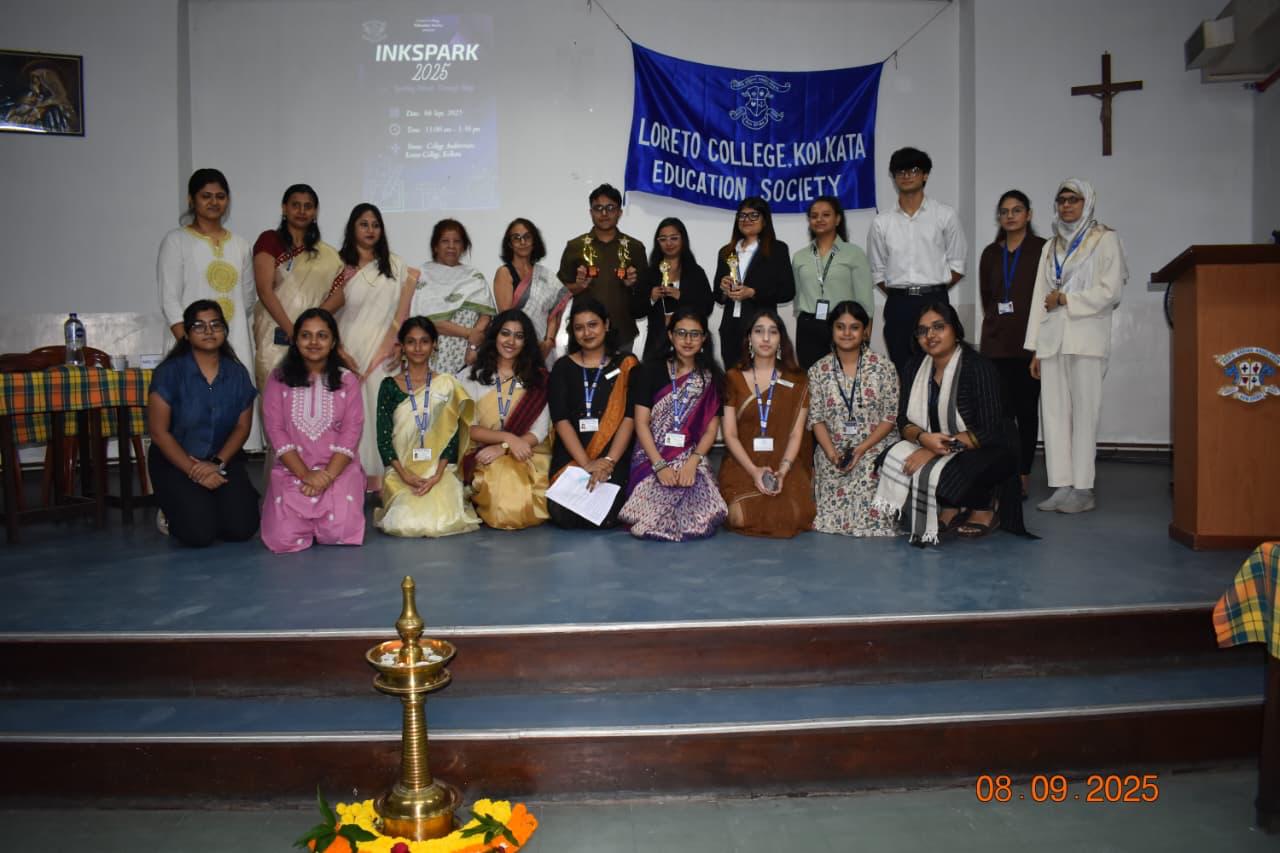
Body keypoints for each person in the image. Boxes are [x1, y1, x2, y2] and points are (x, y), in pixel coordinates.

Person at [874, 303, 1026, 545]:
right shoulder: (914, 367)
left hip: (988, 448)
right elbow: (903, 420)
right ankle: (951, 506)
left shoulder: (978, 367)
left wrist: (935, 449)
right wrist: (923, 439)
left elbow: (990, 431)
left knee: (957, 469)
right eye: (923, 331)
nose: (930, 335)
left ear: (955, 330)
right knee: (890, 458)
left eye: (938, 327)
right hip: (934, 442)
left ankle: (985, 506)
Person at [1025, 178, 1128, 515]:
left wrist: (1068, 299)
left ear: (1088, 203)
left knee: (1085, 414)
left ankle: (1083, 488)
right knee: (1053, 414)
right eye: (1062, 200)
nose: (1067, 205)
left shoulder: (1105, 239)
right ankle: (1062, 485)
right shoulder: (1050, 246)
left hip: (1086, 338)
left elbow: (1111, 291)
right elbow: (1039, 298)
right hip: (1052, 339)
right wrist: (1035, 348)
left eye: (1074, 199)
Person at [157, 168, 258, 450]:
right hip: (189, 343)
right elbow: (169, 300)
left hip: (232, 340)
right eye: (206, 196)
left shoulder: (240, 245)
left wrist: (222, 334)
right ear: (192, 200)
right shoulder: (176, 241)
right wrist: (191, 345)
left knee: (233, 415)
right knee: (190, 421)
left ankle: (227, 462)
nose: (214, 202)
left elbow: (247, 297)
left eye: (220, 196)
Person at [146, 300, 259, 547]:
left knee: (242, 528)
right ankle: (169, 510)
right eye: (199, 326)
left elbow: (242, 428)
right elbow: (159, 433)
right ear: (186, 333)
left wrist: (216, 464)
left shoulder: (237, 373)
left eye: (216, 325)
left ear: (224, 331)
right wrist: (194, 470)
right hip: (177, 461)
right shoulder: (169, 373)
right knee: (199, 534)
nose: (209, 331)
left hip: (222, 459)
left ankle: (207, 503)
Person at [321, 204, 418, 491]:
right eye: (364, 224)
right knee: (353, 416)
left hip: (386, 353)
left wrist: (398, 343)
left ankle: (386, 480)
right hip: (350, 351)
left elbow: (404, 312)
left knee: (385, 414)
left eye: (375, 225)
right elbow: (323, 314)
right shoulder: (341, 267)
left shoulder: (395, 266)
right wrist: (337, 350)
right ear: (353, 228)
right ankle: (352, 478)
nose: (370, 230)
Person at [259, 308, 365, 553]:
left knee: (341, 531)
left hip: (338, 471)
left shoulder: (347, 380)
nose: (314, 342)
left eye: (322, 336)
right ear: (295, 340)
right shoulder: (278, 378)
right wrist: (306, 474)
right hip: (293, 470)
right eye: (306, 335)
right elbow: (275, 430)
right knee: (283, 538)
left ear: (333, 341)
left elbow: (351, 432)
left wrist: (326, 476)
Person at [619, 307, 727, 541]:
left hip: (690, 455)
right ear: (670, 335)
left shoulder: (711, 378)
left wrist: (692, 463)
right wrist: (660, 465)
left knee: (701, 514)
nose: (688, 340)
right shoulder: (648, 371)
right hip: (651, 456)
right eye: (681, 333)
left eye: (695, 334)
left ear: (704, 338)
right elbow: (641, 423)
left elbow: (711, 430)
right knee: (650, 515)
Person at [373, 317, 479, 538]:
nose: (418, 348)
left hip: (439, 470)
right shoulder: (389, 386)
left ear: (434, 345)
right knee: (403, 523)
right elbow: (383, 438)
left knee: (442, 521)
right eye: (411, 342)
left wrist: (437, 474)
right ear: (402, 346)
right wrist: (405, 475)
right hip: (401, 470)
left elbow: (452, 435)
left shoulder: (446, 384)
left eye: (424, 341)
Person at [867, 147, 967, 379]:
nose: (906, 175)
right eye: (900, 171)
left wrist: (933, 290)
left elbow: (958, 265)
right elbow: (877, 271)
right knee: (904, 370)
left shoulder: (944, 215)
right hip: (899, 304)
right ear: (893, 177)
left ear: (925, 175)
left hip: (935, 300)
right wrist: (902, 293)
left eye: (913, 170)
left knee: (939, 369)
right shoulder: (882, 222)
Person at [718, 309, 815, 538]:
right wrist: (754, 472)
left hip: (784, 462)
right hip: (744, 462)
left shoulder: (797, 379)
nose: (765, 338)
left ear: (781, 339)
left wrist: (782, 471)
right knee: (740, 516)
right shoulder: (733, 377)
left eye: (773, 332)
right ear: (748, 338)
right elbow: (729, 434)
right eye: (759, 331)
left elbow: (795, 434)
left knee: (794, 515)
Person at [808, 301, 899, 537]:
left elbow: (889, 418)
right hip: (833, 447)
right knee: (834, 475)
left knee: (868, 470)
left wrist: (861, 449)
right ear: (832, 330)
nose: (847, 333)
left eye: (854, 327)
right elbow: (816, 419)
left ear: (865, 331)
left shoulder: (883, 367)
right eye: (840, 327)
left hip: (875, 444)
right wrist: (832, 454)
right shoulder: (818, 370)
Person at [548, 298, 639, 529]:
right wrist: (587, 463)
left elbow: (630, 418)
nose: (587, 333)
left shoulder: (627, 364)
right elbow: (561, 420)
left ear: (606, 325)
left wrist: (607, 462)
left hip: (613, 455)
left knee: (609, 512)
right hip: (573, 454)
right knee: (563, 514)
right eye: (579, 328)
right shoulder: (562, 367)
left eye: (593, 325)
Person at [978, 190, 1046, 499]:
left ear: (1028, 215)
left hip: (1029, 347)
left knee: (1026, 413)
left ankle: (1022, 475)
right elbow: (987, 297)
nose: (1010, 216)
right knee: (999, 416)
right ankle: (1002, 474)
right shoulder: (991, 253)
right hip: (995, 346)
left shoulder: (1042, 250)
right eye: (1004, 211)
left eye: (1017, 210)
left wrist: (1040, 347)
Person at [457, 309, 552, 530]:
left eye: (519, 336)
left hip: (529, 454)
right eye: (505, 333)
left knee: (522, 493)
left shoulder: (538, 380)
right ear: (495, 336)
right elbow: (469, 428)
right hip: (483, 452)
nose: (511, 341)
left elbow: (539, 431)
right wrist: (508, 438)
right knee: (503, 492)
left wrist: (504, 447)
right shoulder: (471, 376)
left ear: (526, 342)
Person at [251, 184, 343, 390]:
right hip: (275, 337)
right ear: (284, 208)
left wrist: (309, 327)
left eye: (308, 206)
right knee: (275, 397)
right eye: (295, 205)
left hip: (312, 342)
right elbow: (264, 290)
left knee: (311, 400)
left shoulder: (328, 254)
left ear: (315, 212)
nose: (302, 211)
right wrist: (293, 331)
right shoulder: (270, 241)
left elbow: (339, 296)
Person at [556, 183, 649, 352]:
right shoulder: (575, 247)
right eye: (598, 208)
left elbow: (645, 293)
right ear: (591, 212)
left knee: (623, 371)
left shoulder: (635, 248)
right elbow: (559, 292)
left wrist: (632, 285)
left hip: (622, 333)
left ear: (619, 212)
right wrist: (578, 287)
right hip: (583, 335)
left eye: (610, 208)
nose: (604, 213)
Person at [792, 196, 874, 370]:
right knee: (811, 377)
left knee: (846, 376)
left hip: (844, 325)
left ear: (837, 219)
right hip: (808, 327)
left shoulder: (854, 253)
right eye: (814, 216)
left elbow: (865, 295)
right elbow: (798, 294)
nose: (819, 219)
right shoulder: (800, 256)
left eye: (826, 215)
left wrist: (866, 327)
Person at [712, 197, 795, 369]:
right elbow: (718, 296)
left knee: (761, 377)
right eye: (742, 216)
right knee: (733, 379)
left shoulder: (777, 249)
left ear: (765, 220)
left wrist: (753, 292)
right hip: (730, 328)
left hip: (761, 328)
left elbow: (787, 291)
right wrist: (724, 289)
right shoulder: (726, 251)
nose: (746, 220)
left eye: (754, 215)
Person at [411, 219, 496, 375]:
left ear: (463, 246)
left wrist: (472, 347)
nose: (451, 246)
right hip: (433, 353)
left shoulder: (473, 276)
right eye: (445, 241)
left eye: (457, 241)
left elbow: (486, 315)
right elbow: (427, 321)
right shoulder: (423, 275)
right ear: (435, 246)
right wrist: (468, 333)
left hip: (469, 356)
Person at [492, 218, 571, 363]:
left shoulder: (545, 276)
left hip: (543, 348)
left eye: (527, 237)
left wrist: (548, 341)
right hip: (514, 345)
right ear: (509, 244)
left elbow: (553, 312)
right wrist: (525, 340)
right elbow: (507, 317)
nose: (522, 242)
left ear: (534, 241)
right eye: (516, 238)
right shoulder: (504, 273)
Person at [632, 217, 713, 360]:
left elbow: (707, 307)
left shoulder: (695, 272)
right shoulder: (649, 273)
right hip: (656, 342)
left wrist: (681, 296)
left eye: (674, 238)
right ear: (657, 243)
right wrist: (651, 298)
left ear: (683, 240)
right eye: (663, 239)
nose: (668, 243)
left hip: (689, 343)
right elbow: (636, 311)